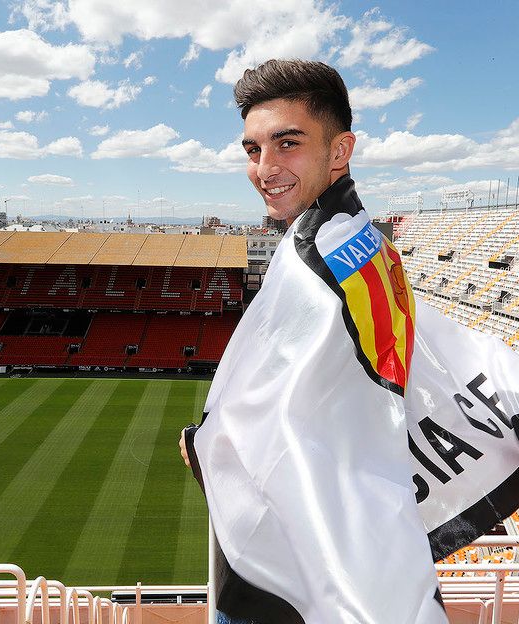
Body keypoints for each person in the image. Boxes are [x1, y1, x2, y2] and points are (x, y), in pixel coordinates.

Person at [179, 59, 446, 624]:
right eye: (253, 149)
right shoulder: (368, 242)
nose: (264, 168)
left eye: (288, 143)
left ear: (340, 149)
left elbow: (270, 431)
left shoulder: (315, 260)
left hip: (289, 578)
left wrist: (202, 445)